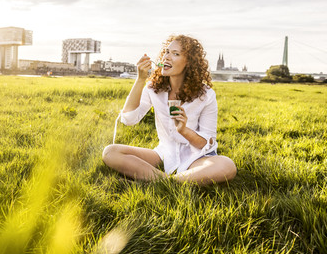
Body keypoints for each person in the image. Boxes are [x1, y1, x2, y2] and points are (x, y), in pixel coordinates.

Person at [102, 35, 237, 185]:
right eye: (166, 52)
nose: (167, 57)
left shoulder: (206, 95)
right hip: (164, 154)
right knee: (110, 152)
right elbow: (129, 120)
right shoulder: (153, 89)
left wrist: (185, 130)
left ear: (189, 63)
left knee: (226, 165)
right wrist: (140, 80)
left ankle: (159, 181)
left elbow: (207, 144)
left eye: (176, 54)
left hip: (197, 158)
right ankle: (170, 182)